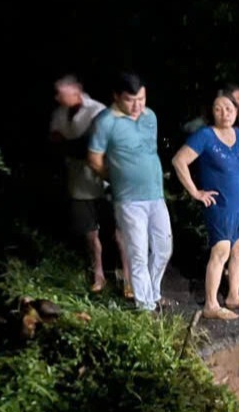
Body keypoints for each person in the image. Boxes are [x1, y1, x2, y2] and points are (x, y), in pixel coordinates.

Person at [88, 72, 175, 313]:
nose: (137, 106)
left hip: (155, 194)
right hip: (128, 200)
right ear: (116, 97)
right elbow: (94, 159)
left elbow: (149, 151)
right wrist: (114, 177)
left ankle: (154, 293)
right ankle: (145, 306)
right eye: (130, 100)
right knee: (138, 251)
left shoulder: (150, 117)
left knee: (164, 247)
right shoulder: (105, 122)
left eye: (142, 99)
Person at [172, 91, 239, 321]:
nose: (224, 113)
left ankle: (234, 296)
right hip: (219, 205)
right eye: (218, 109)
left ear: (236, 111)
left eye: (228, 108)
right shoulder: (205, 136)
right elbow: (179, 161)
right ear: (211, 112)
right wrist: (195, 192)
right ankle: (211, 304)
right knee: (221, 251)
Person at [49, 74, 129, 293]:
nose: (58, 98)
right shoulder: (59, 114)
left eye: (61, 93)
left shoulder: (97, 110)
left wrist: (75, 146)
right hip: (78, 181)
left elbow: (92, 145)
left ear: (76, 90)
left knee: (117, 231)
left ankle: (129, 277)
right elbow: (57, 144)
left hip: (104, 179)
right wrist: (77, 146)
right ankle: (98, 275)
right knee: (89, 232)